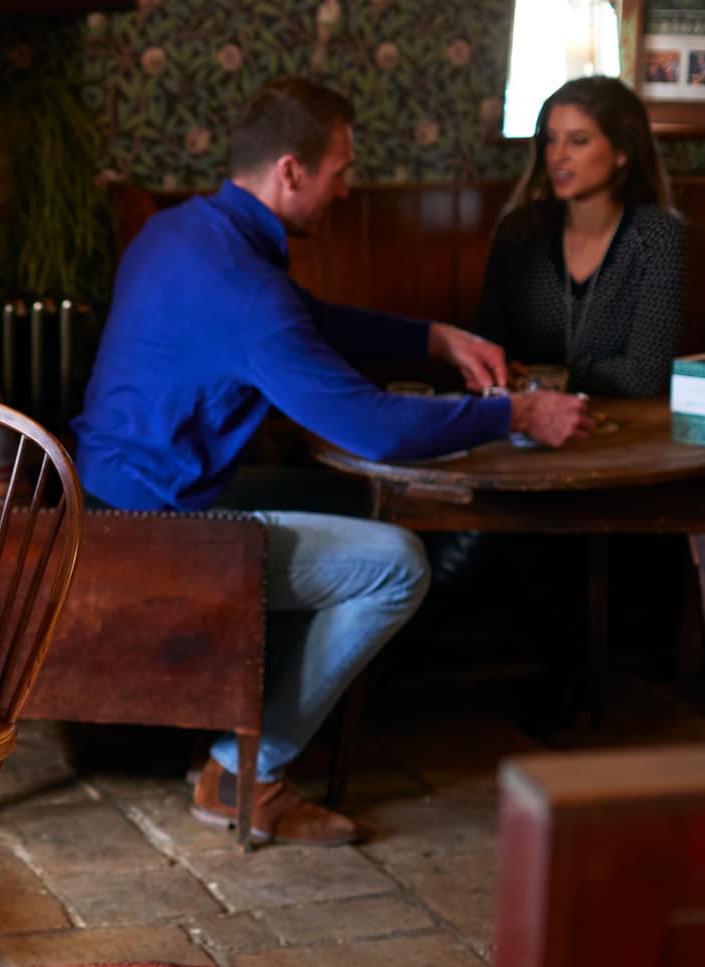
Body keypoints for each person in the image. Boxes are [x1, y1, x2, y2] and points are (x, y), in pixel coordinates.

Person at [70, 76, 591, 846]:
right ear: (291, 171)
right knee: (397, 563)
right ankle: (240, 774)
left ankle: (254, 720)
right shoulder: (245, 290)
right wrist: (516, 412)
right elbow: (371, 429)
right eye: (341, 171)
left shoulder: (179, 231)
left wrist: (436, 339)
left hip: (113, 499)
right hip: (159, 535)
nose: (347, 189)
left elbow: (309, 319)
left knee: (353, 506)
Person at [475, 76, 685, 398]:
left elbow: (645, 374)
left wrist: (546, 375)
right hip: (524, 412)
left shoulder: (656, 236)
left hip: (621, 419)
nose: (557, 156)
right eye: (551, 140)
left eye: (578, 141)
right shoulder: (520, 231)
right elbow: (489, 349)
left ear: (621, 152)